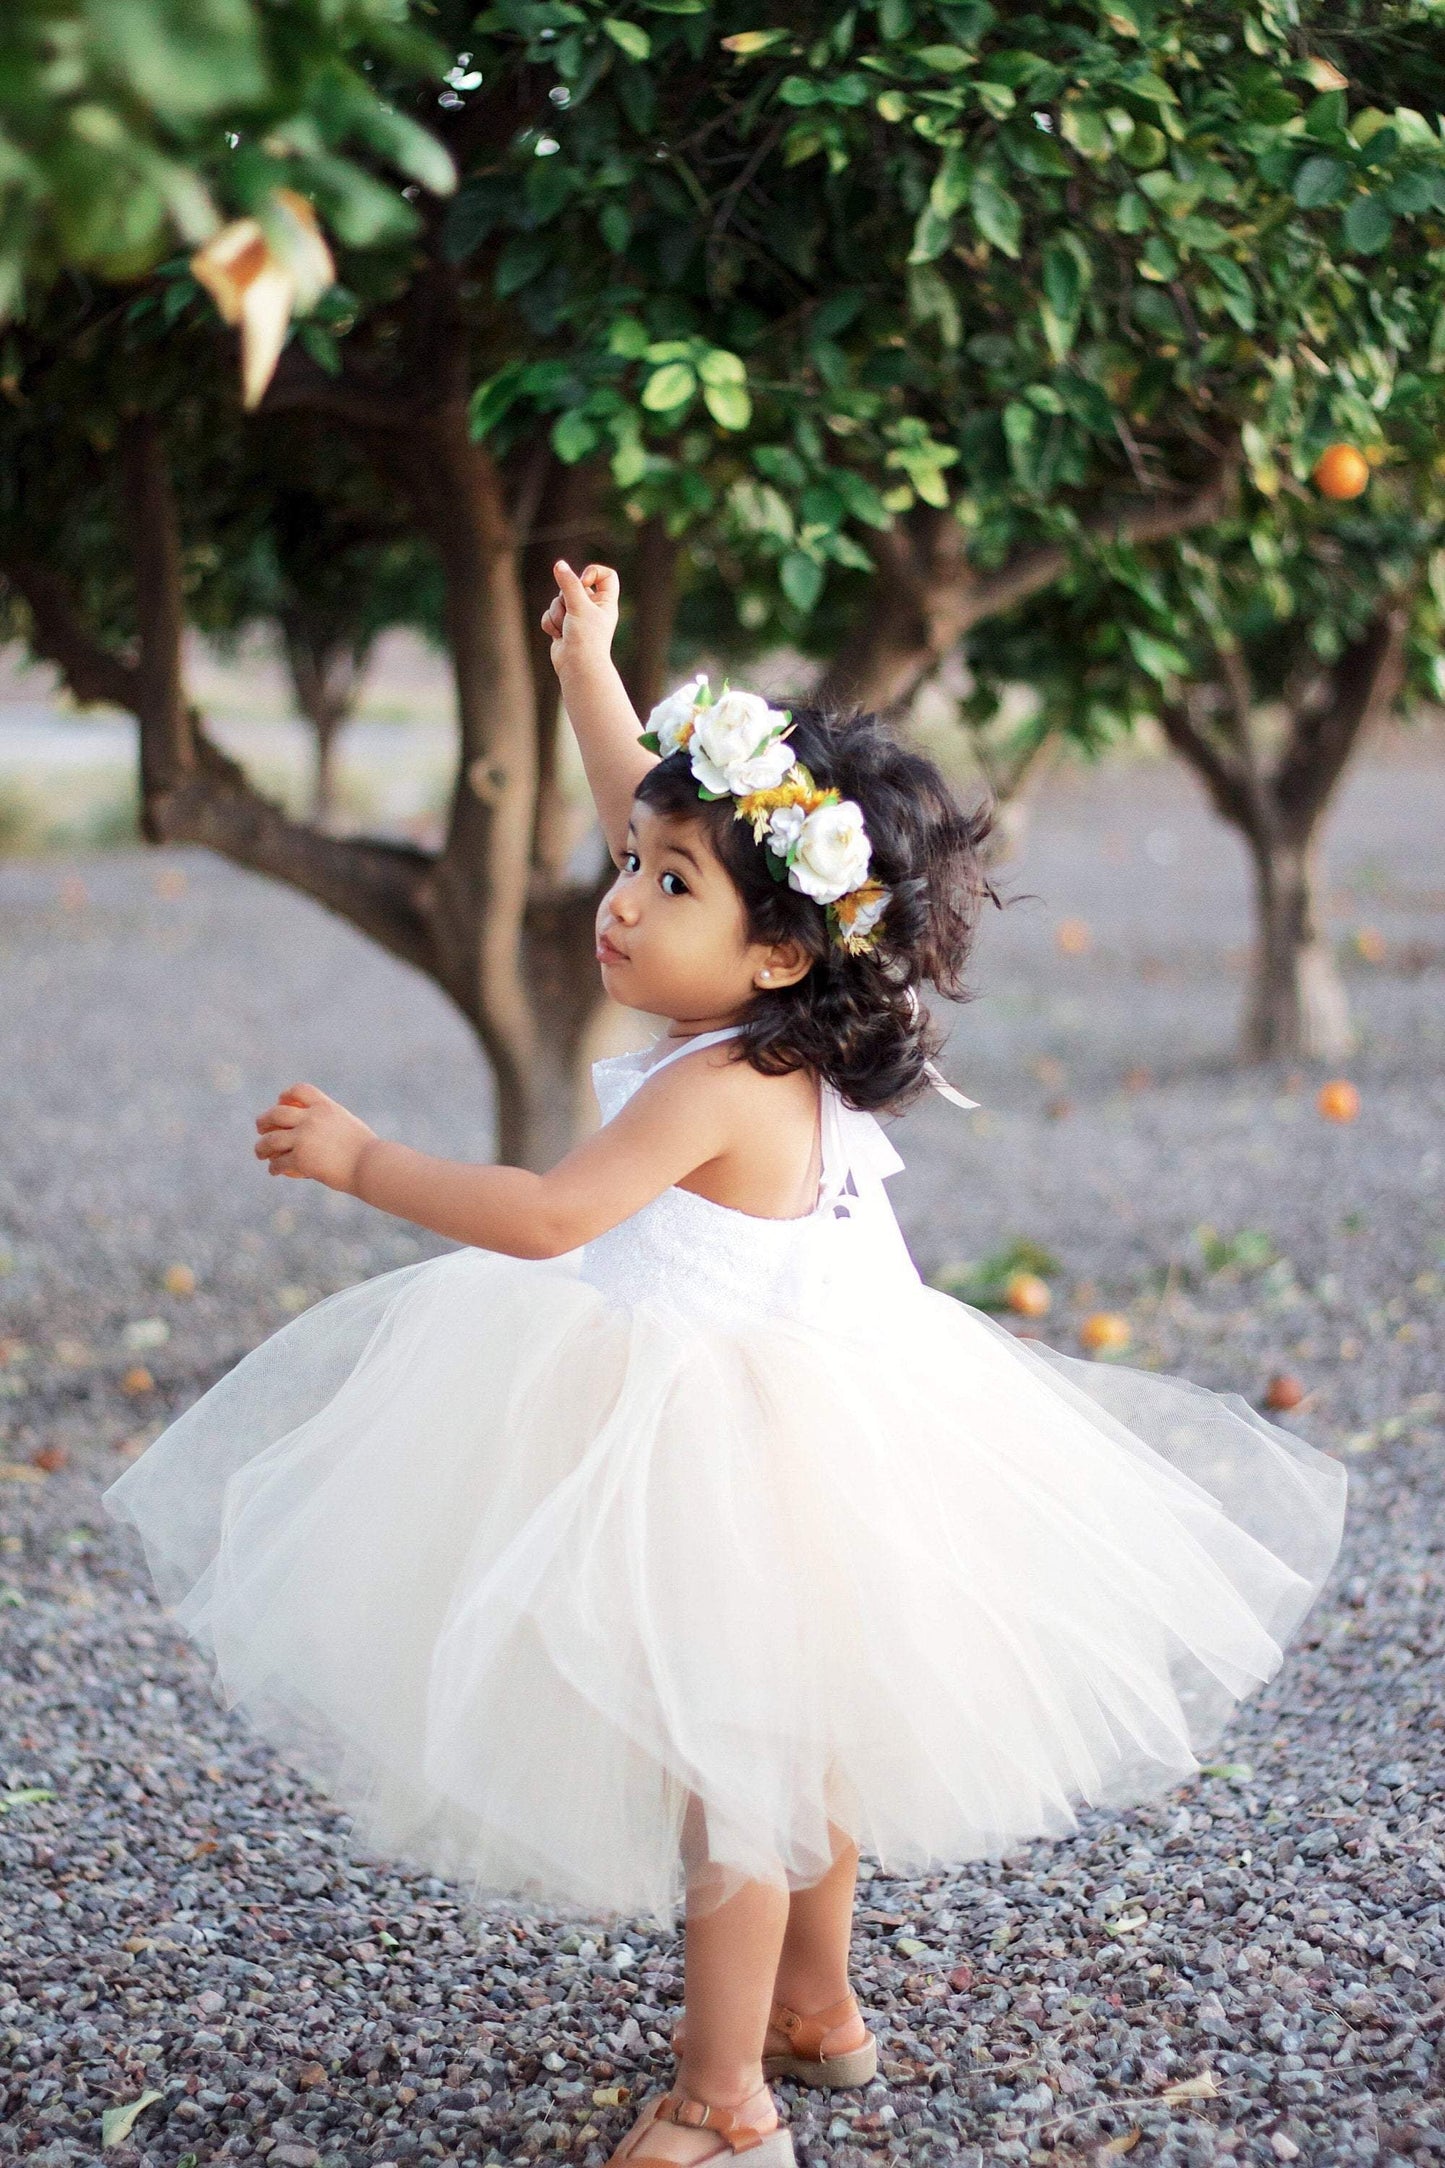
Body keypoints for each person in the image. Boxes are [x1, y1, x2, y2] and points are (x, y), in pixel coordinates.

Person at [101, 561, 1347, 2168]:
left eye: (666, 884)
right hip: (830, 1425)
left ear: (769, 950)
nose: (620, 896)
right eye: (631, 866)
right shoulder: (797, 1007)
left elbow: (549, 1218)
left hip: (729, 1443)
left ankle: (723, 2096)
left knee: (730, 1775)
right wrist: (589, 669)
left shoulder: (718, 1084)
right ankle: (816, 2012)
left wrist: (362, 1161)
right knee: (797, 1740)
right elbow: (653, 797)